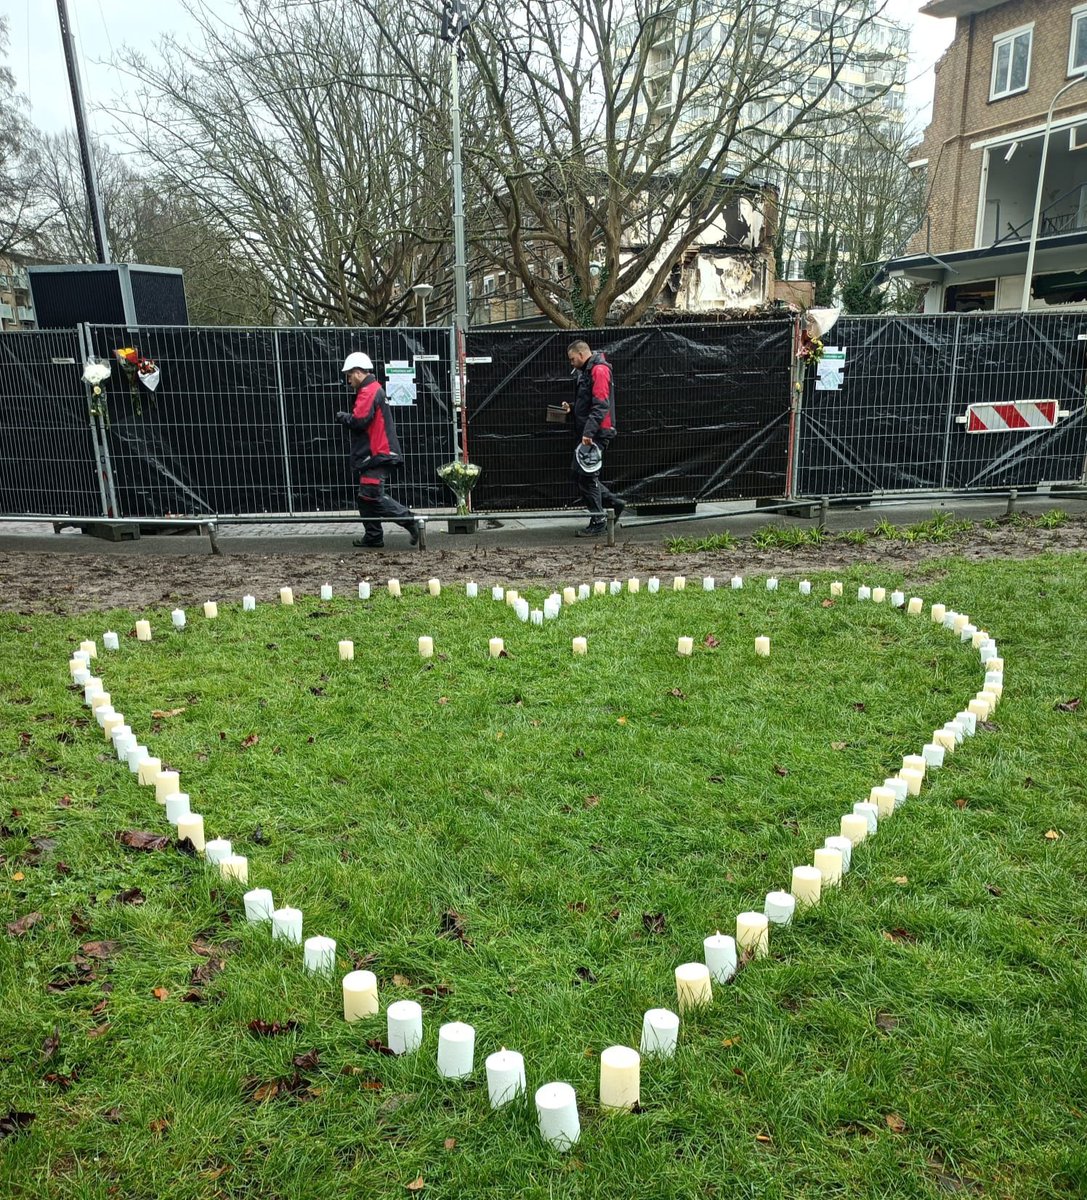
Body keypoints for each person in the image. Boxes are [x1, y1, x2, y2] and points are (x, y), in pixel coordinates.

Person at [336, 352, 419, 549]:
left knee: (371, 493)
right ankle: (373, 536)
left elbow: (359, 420)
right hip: (376, 453)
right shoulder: (373, 389)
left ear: (357, 373)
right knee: (364, 497)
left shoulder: (369, 391)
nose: (348, 380)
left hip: (377, 453)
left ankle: (410, 521)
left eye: (349, 375)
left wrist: (343, 417)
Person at [565, 339, 625, 537]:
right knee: (582, 474)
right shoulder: (591, 370)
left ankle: (599, 518)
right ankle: (612, 505)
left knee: (586, 476)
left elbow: (600, 405)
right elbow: (592, 403)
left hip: (596, 433)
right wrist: (572, 409)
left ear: (582, 355)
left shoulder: (598, 371)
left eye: (573, 359)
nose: (571, 363)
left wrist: (588, 433)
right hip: (594, 431)